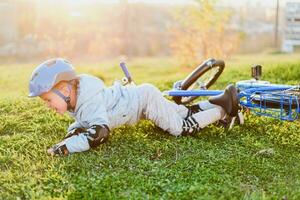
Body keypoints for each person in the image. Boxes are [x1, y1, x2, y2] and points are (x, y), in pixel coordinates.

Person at [28, 58, 239, 156]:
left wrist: (66, 148)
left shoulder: (88, 99)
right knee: (182, 112)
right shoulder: (79, 99)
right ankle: (221, 100)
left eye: (47, 99)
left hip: (143, 101)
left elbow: (98, 133)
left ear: (64, 90)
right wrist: (67, 138)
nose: (47, 105)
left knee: (179, 127)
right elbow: (82, 124)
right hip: (143, 98)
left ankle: (225, 108)